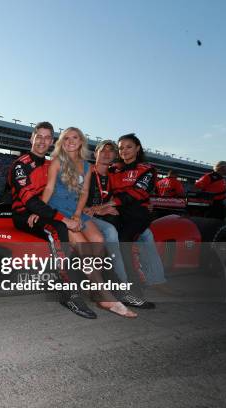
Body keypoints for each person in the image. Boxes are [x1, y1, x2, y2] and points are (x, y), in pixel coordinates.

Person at [42, 127, 137, 318]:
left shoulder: (86, 166)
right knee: (85, 246)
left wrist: (77, 214)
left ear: (81, 141)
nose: (70, 141)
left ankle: (93, 286)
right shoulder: (56, 162)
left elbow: (84, 193)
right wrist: (40, 210)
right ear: (62, 142)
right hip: (58, 210)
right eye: (66, 138)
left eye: (74, 137)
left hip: (76, 210)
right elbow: (49, 188)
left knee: (99, 240)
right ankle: (105, 296)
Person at [7, 121, 96, 319]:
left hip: (45, 212)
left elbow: (74, 187)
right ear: (32, 138)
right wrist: (63, 219)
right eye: (39, 136)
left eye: (47, 137)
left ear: (52, 142)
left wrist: (81, 210)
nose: (42, 141)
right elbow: (30, 202)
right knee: (58, 229)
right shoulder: (20, 165)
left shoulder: (51, 163)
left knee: (79, 234)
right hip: (26, 215)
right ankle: (68, 294)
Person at [83, 140, 161, 308]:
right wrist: (98, 210)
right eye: (103, 150)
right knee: (112, 232)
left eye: (111, 150)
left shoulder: (113, 173)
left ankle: (152, 279)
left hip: (108, 214)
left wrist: (145, 203)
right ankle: (122, 289)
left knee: (145, 233)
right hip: (87, 216)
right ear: (95, 153)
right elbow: (72, 201)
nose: (107, 153)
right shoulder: (85, 171)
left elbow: (129, 193)